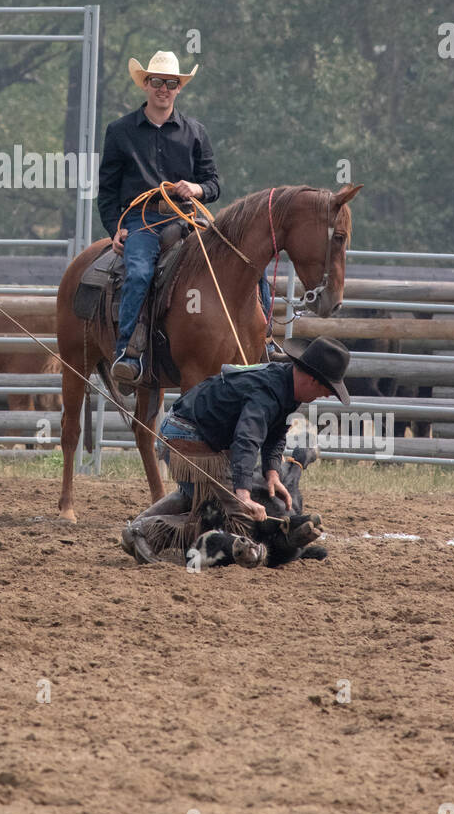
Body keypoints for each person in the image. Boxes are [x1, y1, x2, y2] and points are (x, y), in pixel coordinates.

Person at [121, 336, 351, 563]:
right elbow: (246, 439)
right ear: (312, 380)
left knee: (199, 496)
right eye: (327, 388)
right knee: (235, 516)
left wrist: (272, 473)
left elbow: (276, 433)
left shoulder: (285, 386)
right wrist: (242, 494)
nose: (328, 394)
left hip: (190, 433)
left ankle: (139, 527)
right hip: (189, 438)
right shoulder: (269, 391)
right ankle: (144, 531)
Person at [97, 50, 220, 385]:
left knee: (239, 256)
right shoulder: (120, 132)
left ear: (179, 88)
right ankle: (128, 353)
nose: (163, 89)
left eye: (170, 83)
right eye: (157, 82)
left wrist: (195, 188)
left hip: (189, 218)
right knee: (137, 274)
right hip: (142, 220)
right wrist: (115, 229)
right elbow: (107, 191)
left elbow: (214, 183)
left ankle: (263, 340)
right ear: (146, 85)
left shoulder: (195, 132)